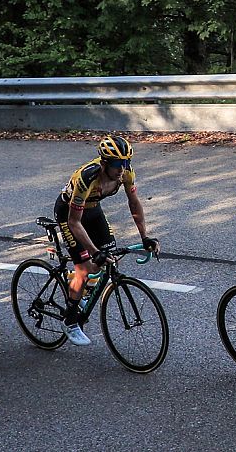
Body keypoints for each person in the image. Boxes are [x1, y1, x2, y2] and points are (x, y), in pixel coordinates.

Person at [54, 135, 158, 346]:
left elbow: (134, 203)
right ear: (104, 163)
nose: (122, 168)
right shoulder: (87, 178)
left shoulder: (126, 174)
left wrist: (145, 237)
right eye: (117, 163)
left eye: (126, 162)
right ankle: (70, 320)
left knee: (110, 259)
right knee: (85, 269)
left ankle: (78, 287)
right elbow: (74, 222)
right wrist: (93, 251)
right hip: (69, 213)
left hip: (93, 211)